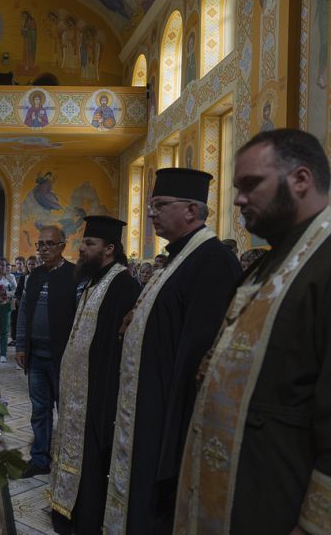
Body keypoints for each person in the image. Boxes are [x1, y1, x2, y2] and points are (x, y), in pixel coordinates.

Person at [175, 129, 331, 533]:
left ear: (300, 179)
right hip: (239, 489)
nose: (238, 199)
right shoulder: (271, 261)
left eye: (251, 185)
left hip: (279, 499)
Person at [103, 168, 242, 534]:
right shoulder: (179, 257)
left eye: (160, 205)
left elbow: (200, 349)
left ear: (192, 211)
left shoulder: (211, 260)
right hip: (148, 403)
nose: (151, 214)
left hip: (169, 411)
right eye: (151, 205)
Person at [49, 216, 141, 534]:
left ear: (109, 248)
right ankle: (68, 509)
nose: (82, 249)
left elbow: (117, 348)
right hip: (78, 391)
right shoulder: (93, 281)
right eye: (82, 243)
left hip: (98, 391)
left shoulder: (123, 284)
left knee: (93, 459)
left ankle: (86, 518)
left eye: (89, 243)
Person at [15, 225, 78, 478]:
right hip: (36, 355)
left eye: (48, 244)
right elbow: (23, 313)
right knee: (40, 409)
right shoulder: (34, 276)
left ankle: (67, 460)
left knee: (66, 409)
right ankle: (40, 459)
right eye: (39, 244)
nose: (42, 249)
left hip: (63, 356)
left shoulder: (75, 275)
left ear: (63, 246)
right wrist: (21, 344)